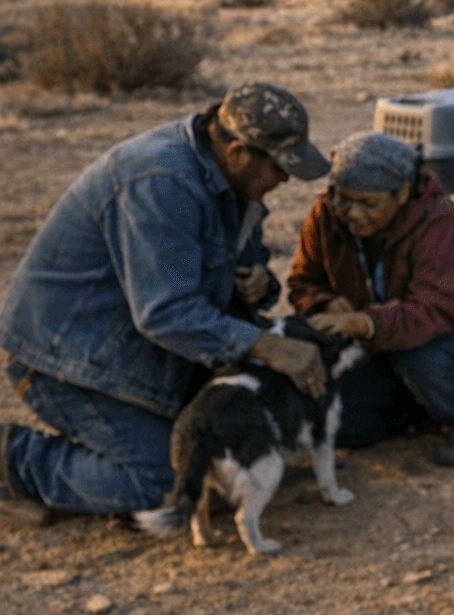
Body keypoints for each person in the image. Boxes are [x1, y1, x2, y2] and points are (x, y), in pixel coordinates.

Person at [0, 82, 332, 524]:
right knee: (168, 482)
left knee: (234, 447)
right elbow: (166, 312)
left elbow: (240, 276)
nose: (286, 179)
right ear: (236, 153)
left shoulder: (233, 184)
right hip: (69, 360)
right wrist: (267, 346)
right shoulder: (161, 182)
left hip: (147, 352)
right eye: (279, 166)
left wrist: (257, 284)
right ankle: (16, 460)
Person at [286, 131, 454, 467]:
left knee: (420, 355)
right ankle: (417, 408)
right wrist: (324, 302)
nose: (352, 213)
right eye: (343, 199)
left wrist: (364, 322)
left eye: (369, 204)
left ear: (402, 194)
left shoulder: (440, 222)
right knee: (345, 427)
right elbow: (303, 280)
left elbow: (434, 311)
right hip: (385, 342)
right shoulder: (326, 214)